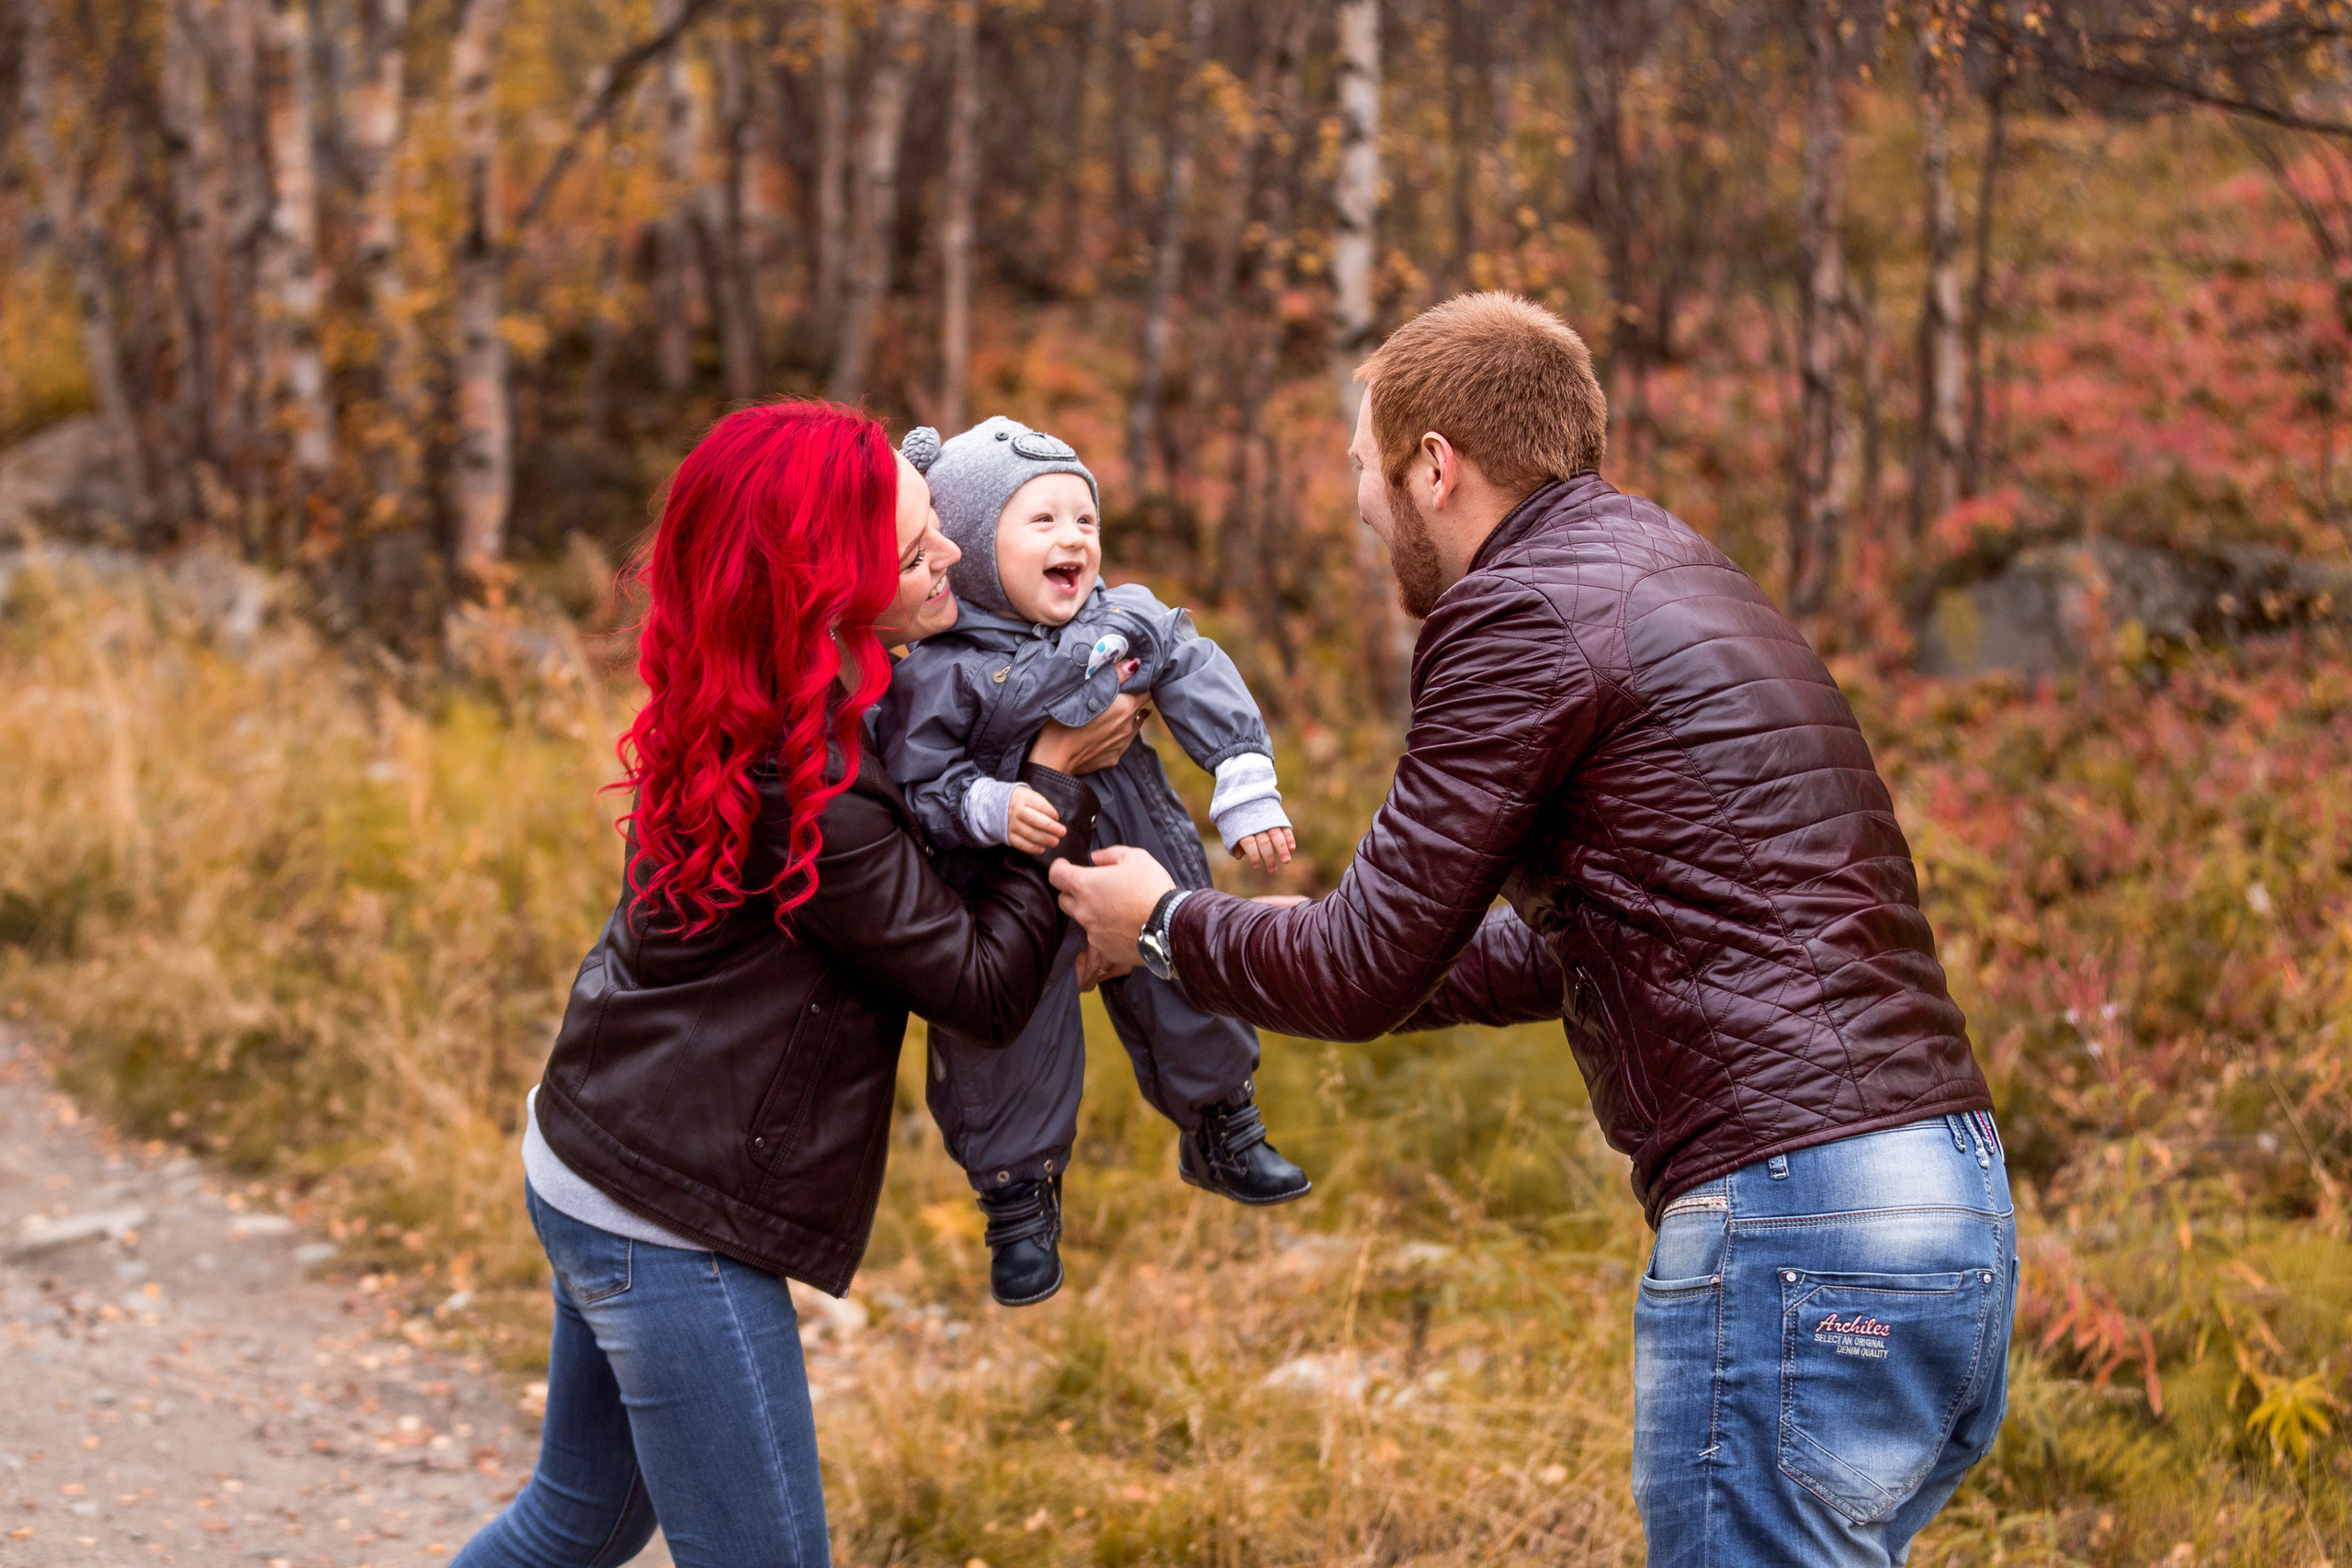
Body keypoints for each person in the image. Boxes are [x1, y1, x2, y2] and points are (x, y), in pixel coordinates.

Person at [1050, 293, 2015, 1567]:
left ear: (1434, 466)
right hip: (1947, 1207)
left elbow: (1358, 974)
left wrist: (1165, 925)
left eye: (1364, 466)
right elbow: (1618, 938)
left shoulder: (1517, 614)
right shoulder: (1675, 571)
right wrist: (1276, 933)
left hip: (1796, 1220)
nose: (1360, 502)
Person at [455, 401, 1147, 1568]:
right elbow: (978, 988)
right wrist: (1050, 781)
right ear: (825, 582)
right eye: (918, 546)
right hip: (668, 1215)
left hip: (601, 1145)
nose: (952, 552)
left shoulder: (776, 693)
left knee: (575, 1523)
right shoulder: (805, 775)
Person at [873, 416, 1310, 1308]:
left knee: (1184, 978)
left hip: (1131, 852)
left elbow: (1191, 661)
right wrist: (986, 803)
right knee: (1008, 1044)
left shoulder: (1120, 619)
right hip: (1007, 890)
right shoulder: (939, 671)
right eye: (1042, 520)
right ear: (974, 545)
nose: (1073, 536)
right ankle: (1017, 1204)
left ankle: (1222, 1125)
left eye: (1085, 518)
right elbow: (919, 777)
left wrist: (1242, 778)